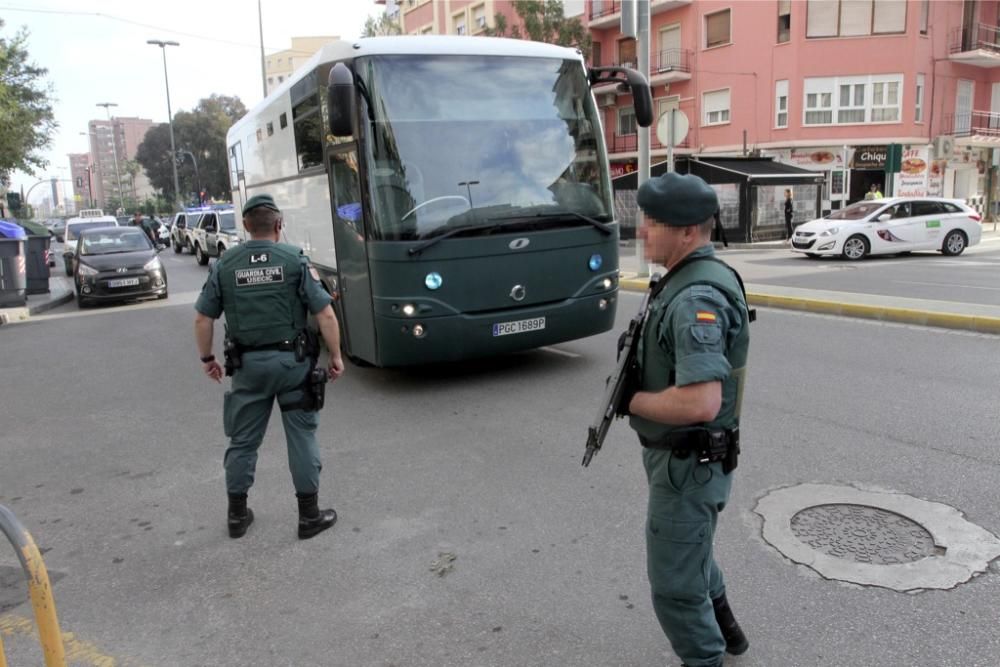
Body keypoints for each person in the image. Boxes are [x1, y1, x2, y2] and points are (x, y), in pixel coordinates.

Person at [626, 172, 752, 667]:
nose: (642, 233)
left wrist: (632, 401)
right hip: (688, 460)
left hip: (689, 462)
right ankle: (731, 636)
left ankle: (706, 658)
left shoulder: (695, 298)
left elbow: (700, 402)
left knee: (674, 586)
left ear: (685, 232)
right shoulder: (691, 278)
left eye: (652, 224)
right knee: (692, 552)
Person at [193, 194, 345, 540]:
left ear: (246, 226)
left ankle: (236, 516)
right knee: (301, 437)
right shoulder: (295, 260)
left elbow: (203, 317)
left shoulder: (224, 265)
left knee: (243, 441)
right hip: (292, 365)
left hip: (247, 367)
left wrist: (207, 359)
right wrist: (335, 357)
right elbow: (325, 313)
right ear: (279, 225)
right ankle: (308, 516)